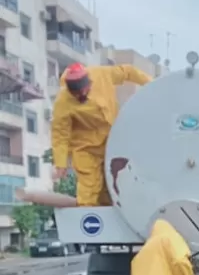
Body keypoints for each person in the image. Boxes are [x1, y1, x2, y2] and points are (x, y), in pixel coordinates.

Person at [51, 62, 152, 206]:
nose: (83, 95)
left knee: (116, 184)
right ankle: (88, 221)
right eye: (78, 94)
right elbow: (60, 134)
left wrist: (151, 83)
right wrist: (61, 164)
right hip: (86, 148)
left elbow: (128, 72)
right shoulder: (63, 102)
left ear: (89, 82)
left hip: (114, 141)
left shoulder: (102, 74)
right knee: (89, 190)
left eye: (85, 90)